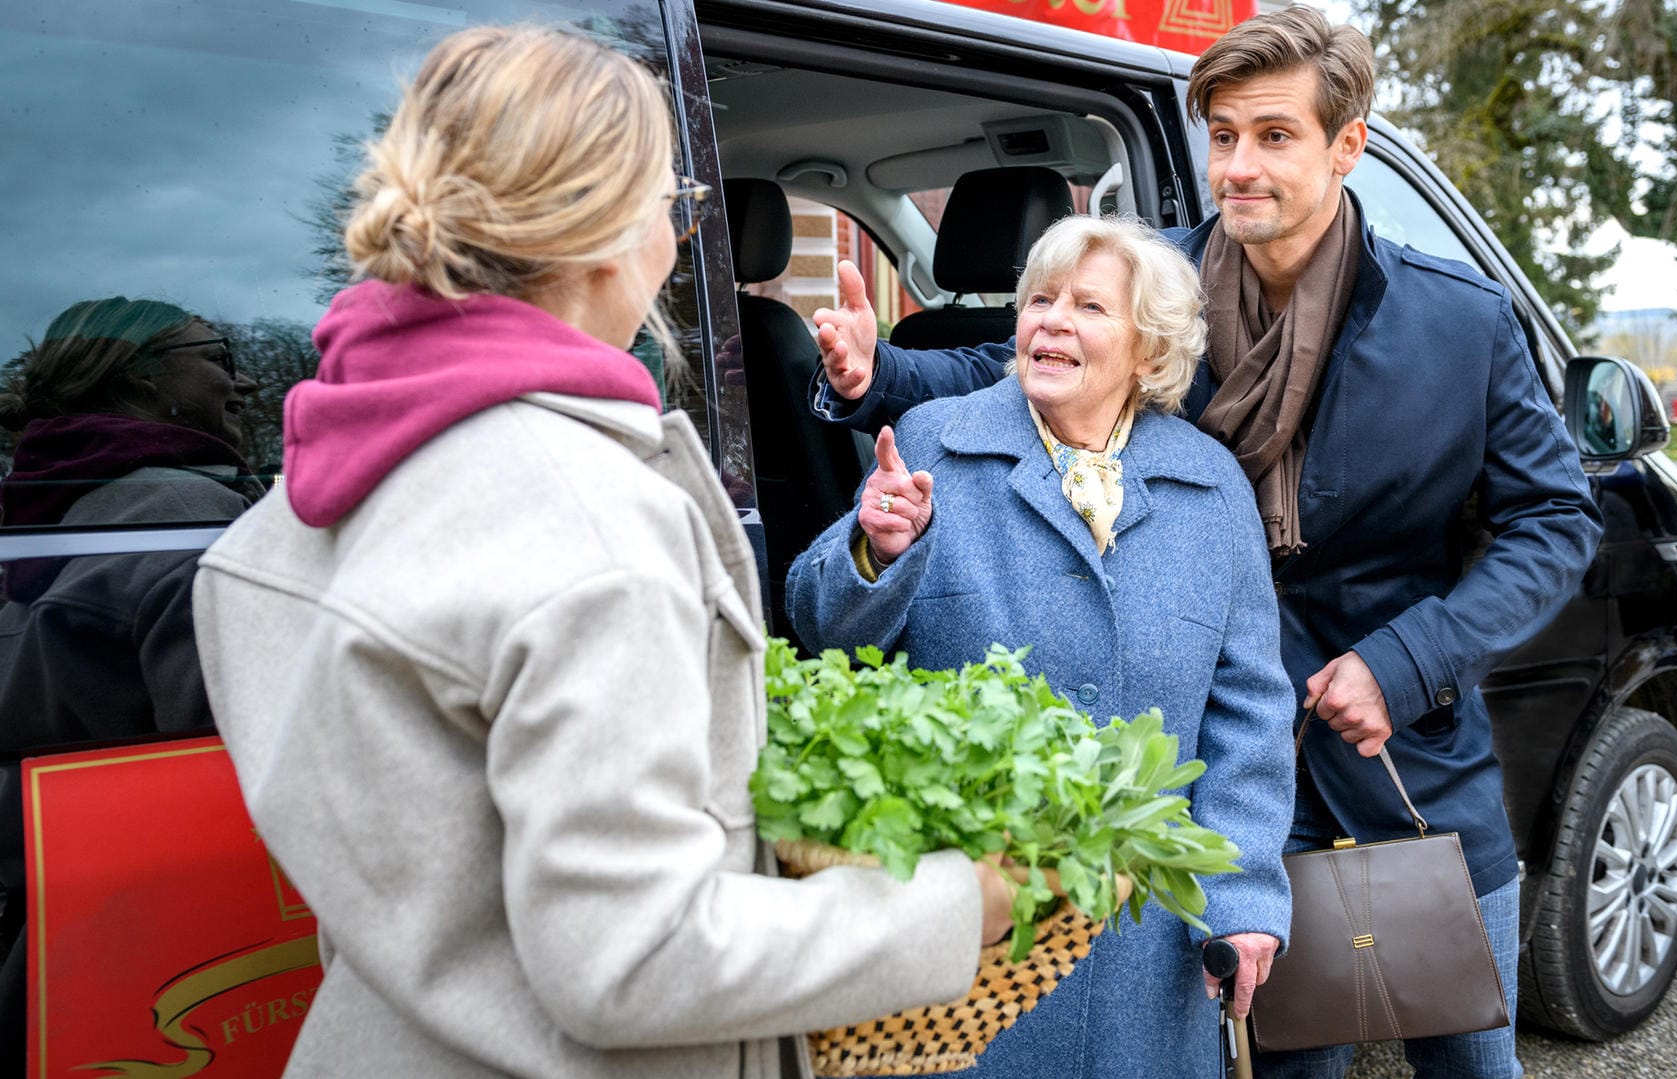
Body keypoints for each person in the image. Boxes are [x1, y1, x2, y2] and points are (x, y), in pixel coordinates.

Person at [190, 25, 1010, 1078]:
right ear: (610, 232)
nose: (681, 229)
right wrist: (954, 906)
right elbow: (637, 956)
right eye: (678, 199)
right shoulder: (592, 524)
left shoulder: (322, 477)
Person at [806, 8, 1603, 1077]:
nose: (1238, 166)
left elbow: (1556, 523)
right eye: (1222, 136)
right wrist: (873, 377)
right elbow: (1013, 373)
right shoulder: (1156, 286)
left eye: (1274, 136)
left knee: (1469, 1060)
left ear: (1346, 144)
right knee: (1287, 1065)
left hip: (1395, 764)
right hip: (1225, 778)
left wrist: (1404, 661)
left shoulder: (1457, 321)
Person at [787, 214, 1294, 1079]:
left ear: (1148, 349)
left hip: (1143, 937)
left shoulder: (1212, 488)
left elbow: (1249, 712)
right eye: (1040, 300)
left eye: (1090, 307)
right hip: (973, 933)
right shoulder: (933, 442)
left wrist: (1244, 895)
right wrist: (877, 550)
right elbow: (822, 628)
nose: (1053, 321)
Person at [0, 297, 265, 1066]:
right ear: (139, 383)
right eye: (217, 355)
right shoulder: (187, 516)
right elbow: (248, 765)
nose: (243, 384)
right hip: (181, 965)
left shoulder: (60, 510)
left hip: (67, 944)